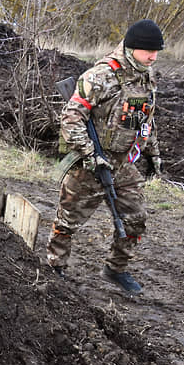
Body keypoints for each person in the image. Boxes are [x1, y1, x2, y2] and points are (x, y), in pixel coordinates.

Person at [46, 19, 164, 295]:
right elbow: (72, 118)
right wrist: (90, 154)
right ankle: (55, 268)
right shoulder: (100, 76)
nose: (154, 57)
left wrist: (152, 154)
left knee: (135, 219)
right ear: (132, 48)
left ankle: (116, 268)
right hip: (90, 164)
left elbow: (145, 120)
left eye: (157, 52)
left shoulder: (146, 77)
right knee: (67, 222)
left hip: (123, 165)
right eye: (149, 51)